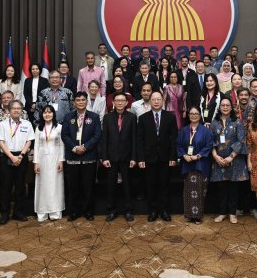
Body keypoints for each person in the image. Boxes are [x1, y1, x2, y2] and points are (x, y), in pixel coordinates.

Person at [136, 91, 178, 222]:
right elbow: (139, 140)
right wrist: (141, 158)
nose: (156, 101)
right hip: (149, 158)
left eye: (158, 99)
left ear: (162, 101)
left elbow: (174, 139)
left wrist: (173, 157)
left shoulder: (170, 117)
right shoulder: (143, 118)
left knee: (164, 185)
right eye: (153, 99)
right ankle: (153, 210)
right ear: (150, 101)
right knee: (151, 185)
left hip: (166, 157)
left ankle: (164, 210)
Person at [62, 91, 102, 221]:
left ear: (87, 101)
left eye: (83, 100)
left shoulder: (94, 117)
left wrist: (85, 147)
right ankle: (74, 211)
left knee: (88, 186)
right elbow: (64, 135)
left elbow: (97, 135)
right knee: (73, 186)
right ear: (74, 102)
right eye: (78, 100)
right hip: (72, 156)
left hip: (88, 156)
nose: (80, 102)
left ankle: (88, 211)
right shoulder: (68, 117)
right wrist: (74, 148)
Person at [0, 101, 34, 224]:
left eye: (19, 108)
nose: (16, 110)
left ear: (22, 110)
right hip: (7, 156)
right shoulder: (3, 124)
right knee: (5, 186)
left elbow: (29, 141)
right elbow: (0, 142)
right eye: (14, 108)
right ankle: (5, 213)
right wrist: (12, 157)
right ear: (9, 110)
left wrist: (21, 155)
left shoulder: (27, 124)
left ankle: (18, 212)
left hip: (21, 156)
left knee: (20, 186)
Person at [209, 97, 247, 224]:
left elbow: (241, 141)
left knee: (233, 189)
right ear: (219, 107)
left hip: (234, 161)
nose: (225, 107)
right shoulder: (214, 123)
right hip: (219, 161)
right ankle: (222, 213)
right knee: (221, 188)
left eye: (227, 105)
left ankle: (232, 214)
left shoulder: (238, 122)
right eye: (223, 105)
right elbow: (210, 141)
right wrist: (215, 156)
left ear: (231, 108)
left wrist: (231, 157)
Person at [100, 91, 137, 222]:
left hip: (127, 157)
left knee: (127, 185)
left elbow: (134, 139)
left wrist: (134, 157)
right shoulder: (107, 118)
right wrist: (104, 157)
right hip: (111, 157)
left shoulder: (132, 117)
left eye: (122, 100)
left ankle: (128, 210)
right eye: (117, 100)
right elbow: (104, 138)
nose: (120, 103)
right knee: (111, 185)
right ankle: (112, 210)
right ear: (113, 102)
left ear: (126, 103)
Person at [176, 106, 214, 224]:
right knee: (188, 191)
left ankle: (197, 216)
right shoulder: (183, 130)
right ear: (188, 116)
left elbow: (209, 145)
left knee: (200, 191)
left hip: (201, 164)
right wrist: (184, 155)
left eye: (196, 114)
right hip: (187, 164)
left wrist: (198, 156)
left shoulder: (206, 130)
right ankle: (189, 214)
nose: (193, 116)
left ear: (200, 115)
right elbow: (178, 145)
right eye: (191, 114)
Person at [31, 105, 64, 222]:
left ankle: (55, 211)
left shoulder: (59, 127)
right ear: (42, 115)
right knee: (43, 185)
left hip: (55, 159)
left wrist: (61, 160)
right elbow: (36, 145)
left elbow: (62, 145)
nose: (47, 114)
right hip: (42, 160)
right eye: (45, 112)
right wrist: (36, 162)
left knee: (55, 185)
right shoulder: (39, 128)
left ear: (53, 114)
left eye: (49, 112)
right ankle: (42, 212)